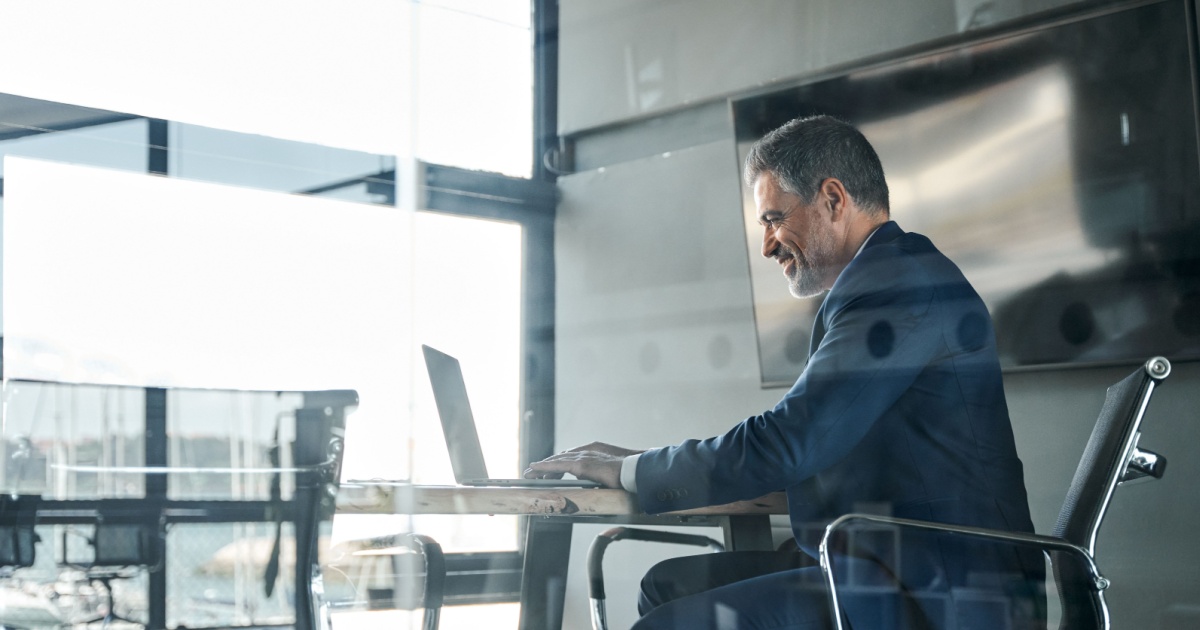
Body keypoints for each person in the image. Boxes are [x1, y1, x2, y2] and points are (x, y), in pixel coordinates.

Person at [526, 115, 1045, 629]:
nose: (767, 245)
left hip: (945, 591)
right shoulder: (885, 280)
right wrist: (646, 464)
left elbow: (790, 441)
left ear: (833, 200)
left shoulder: (899, 287)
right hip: (890, 561)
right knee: (665, 586)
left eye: (774, 219)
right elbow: (813, 449)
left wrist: (636, 470)